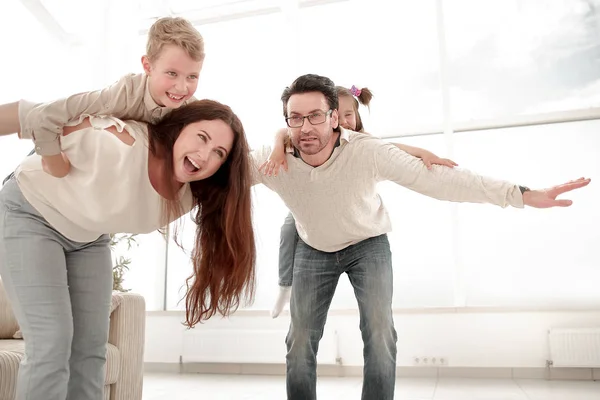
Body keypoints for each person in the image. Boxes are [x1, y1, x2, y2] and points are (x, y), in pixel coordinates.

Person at [250, 73, 591, 400]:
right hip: (314, 247)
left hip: (367, 245)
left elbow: (441, 181)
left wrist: (523, 194)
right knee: (299, 342)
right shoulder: (273, 160)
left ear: (335, 117)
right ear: (286, 122)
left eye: (315, 116)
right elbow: (218, 173)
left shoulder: (366, 151)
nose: (306, 127)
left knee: (380, 333)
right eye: (296, 118)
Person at [0, 100, 256, 400]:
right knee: (51, 343)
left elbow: (269, 163)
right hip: (31, 213)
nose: (204, 155)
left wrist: (283, 140)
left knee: (91, 349)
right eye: (202, 137)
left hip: (88, 236)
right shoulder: (123, 143)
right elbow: (44, 117)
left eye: (219, 153)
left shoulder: (196, 191)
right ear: (179, 129)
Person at [261, 84, 458, 318]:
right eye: (339, 115)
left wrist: (422, 152)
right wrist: (277, 151)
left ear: (356, 116)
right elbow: (282, 133)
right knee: (288, 228)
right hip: (313, 209)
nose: (344, 122)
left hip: (350, 213)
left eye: (349, 115)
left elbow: (392, 148)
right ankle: (285, 286)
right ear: (330, 117)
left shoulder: (361, 141)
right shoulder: (313, 135)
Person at [0, 16, 204, 180]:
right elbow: (46, 115)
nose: (183, 87)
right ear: (147, 66)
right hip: (54, 138)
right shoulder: (124, 94)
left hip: (96, 163)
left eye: (192, 76)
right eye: (172, 74)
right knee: (36, 114)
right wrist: (54, 163)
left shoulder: (192, 113)